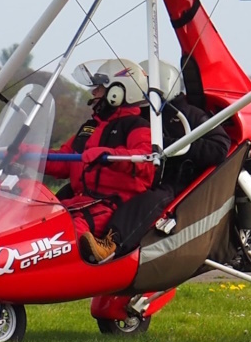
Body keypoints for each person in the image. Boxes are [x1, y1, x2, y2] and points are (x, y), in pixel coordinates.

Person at [46, 58, 160, 264]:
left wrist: (110, 156)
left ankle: (89, 258)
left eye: (99, 88)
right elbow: (64, 160)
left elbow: (147, 161)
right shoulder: (90, 127)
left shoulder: (137, 126)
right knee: (38, 217)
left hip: (112, 205)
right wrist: (26, 155)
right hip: (82, 202)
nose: (94, 93)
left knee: (74, 226)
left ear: (118, 92)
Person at [154, 62, 234, 191]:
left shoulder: (190, 114)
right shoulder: (140, 115)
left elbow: (219, 148)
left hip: (176, 187)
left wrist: (167, 145)